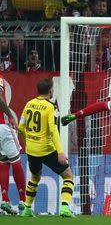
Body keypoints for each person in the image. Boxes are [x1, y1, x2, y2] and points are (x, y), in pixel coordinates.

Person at [18, 78, 75, 217]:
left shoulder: (29, 104)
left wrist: (27, 142)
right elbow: (53, 130)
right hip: (47, 149)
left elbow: (20, 127)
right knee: (68, 176)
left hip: (31, 150)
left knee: (35, 177)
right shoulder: (50, 107)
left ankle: (27, 209)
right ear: (50, 91)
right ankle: (64, 208)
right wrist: (60, 152)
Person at [0, 73, 26, 215]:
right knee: (16, 161)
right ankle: (23, 201)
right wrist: (9, 115)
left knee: (3, 161)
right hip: (2, 125)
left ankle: (5, 200)